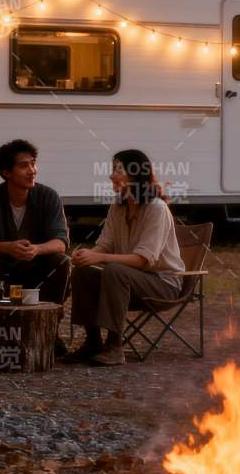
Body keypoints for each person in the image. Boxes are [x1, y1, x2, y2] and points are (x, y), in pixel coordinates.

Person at [68, 149, 184, 365]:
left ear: (135, 175)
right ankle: (92, 342)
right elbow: (104, 245)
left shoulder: (156, 208)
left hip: (163, 284)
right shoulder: (117, 207)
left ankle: (114, 347)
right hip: (128, 281)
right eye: (112, 170)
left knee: (114, 270)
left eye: (117, 170)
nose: (111, 176)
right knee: (84, 271)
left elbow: (143, 260)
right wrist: (88, 255)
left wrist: (101, 258)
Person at [0, 141, 71, 325]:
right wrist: (8, 248)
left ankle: (48, 327)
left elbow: (61, 241)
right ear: (6, 172)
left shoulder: (49, 196)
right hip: (1, 270)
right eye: (24, 166)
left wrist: (36, 250)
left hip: (37, 269)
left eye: (33, 163)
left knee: (61, 260)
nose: (32, 170)